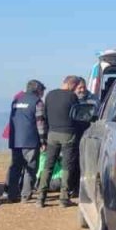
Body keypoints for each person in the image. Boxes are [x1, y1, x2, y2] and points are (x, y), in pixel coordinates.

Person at [37, 76, 81, 207]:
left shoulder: (50, 95)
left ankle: (41, 197)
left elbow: (44, 115)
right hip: (68, 133)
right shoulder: (72, 97)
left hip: (52, 134)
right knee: (67, 165)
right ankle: (64, 198)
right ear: (72, 85)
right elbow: (77, 115)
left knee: (48, 165)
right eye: (75, 87)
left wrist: (45, 135)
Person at [5, 80, 46, 203]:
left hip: (15, 139)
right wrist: (43, 140)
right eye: (42, 91)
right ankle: (25, 195)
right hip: (30, 140)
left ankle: (12, 194)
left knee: (15, 167)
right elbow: (40, 123)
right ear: (38, 90)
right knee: (31, 167)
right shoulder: (37, 102)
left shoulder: (16, 101)